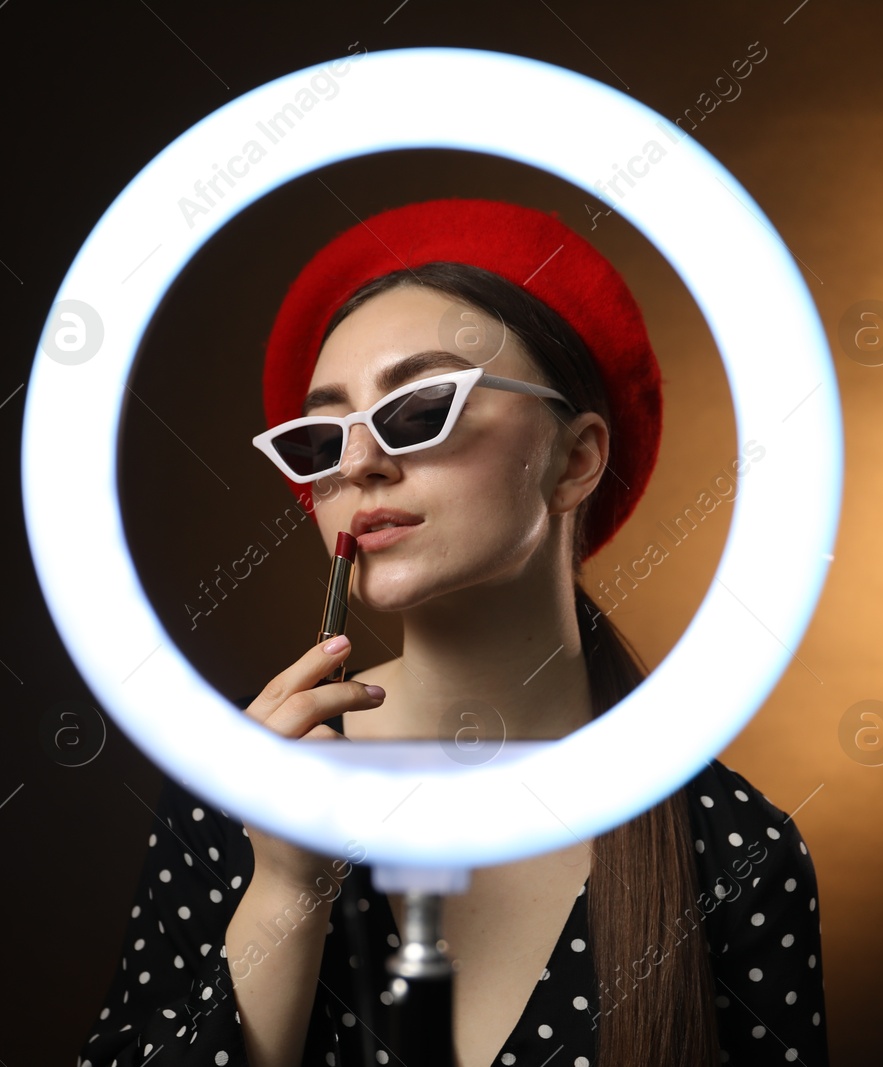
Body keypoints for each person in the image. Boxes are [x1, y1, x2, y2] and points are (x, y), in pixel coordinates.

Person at [79, 199, 828, 1066]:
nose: (357, 463)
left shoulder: (735, 852)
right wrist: (285, 887)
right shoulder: (239, 795)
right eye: (324, 436)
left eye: (418, 406)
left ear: (575, 459)